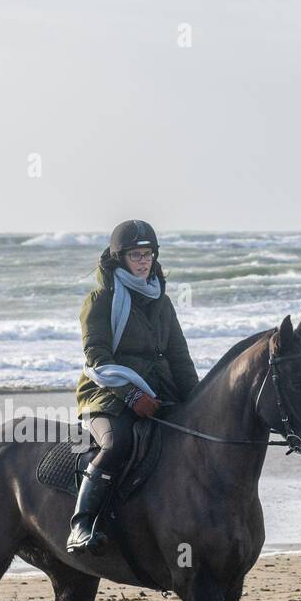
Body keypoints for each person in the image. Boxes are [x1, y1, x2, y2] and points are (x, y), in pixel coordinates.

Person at [66, 219, 199, 553]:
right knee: (117, 443)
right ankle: (82, 524)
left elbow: (179, 358)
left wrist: (197, 400)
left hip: (160, 390)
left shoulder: (162, 302)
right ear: (119, 258)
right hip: (106, 392)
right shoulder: (101, 299)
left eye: (148, 254)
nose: (144, 261)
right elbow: (96, 357)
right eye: (136, 255)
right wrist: (130, 394)